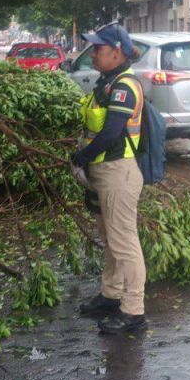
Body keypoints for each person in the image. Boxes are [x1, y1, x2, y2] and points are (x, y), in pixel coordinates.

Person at [70, 22, 148, 334]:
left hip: (118, 173)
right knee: (110, 240)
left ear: (116, 52)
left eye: (98, 49)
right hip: (103, 173)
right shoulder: (108, 81)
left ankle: (133, 310)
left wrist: (81, 158)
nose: (92, 55)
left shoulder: (124, 86)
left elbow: (111, 133)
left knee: (124, 242)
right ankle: (111, 295)